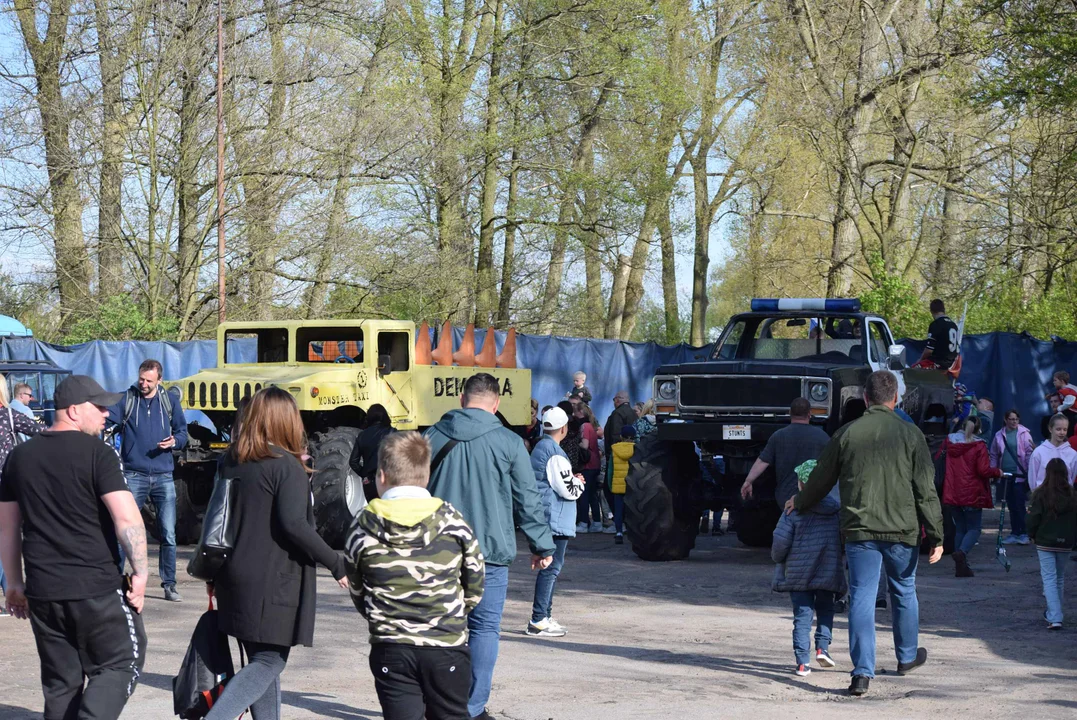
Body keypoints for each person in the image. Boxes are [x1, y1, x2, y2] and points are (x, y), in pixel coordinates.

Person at [0, 375, 149, 719]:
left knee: (61, 683)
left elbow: (7, 529)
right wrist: (141, 573)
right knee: (121, 664)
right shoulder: (100, 453)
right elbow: (126, 519)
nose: (106, 415)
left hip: (44, 591)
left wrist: (16, 585)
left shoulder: (19, 458)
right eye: (98, 408)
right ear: (72, 410)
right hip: (94, 587)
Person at [789, 370, 944, 698]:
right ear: (896, 399)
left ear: (865, 398)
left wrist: (799, 501)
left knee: (862, 595)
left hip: (860, 530)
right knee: (904, 590)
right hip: (902, 529)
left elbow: (819, 480)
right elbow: (925, 489)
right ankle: (906, 657)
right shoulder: (911, 434)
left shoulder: (847, 434)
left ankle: (861, 673)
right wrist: (937, 534)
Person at [204, 386, 348, 720]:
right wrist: (336, 562)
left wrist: (212, 575)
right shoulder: (285, 466)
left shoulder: (232, 460)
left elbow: (218, 520)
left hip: (232, 576)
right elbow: (295, 525)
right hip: (271, 580)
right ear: (286, 421)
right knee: (270, 661)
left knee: (261, 661)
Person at [423, 373, 555, 720]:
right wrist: (542, 545)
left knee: (436, 629)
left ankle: (435, 705)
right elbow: (527, 499)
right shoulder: (509, 443)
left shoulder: (431, 437)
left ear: (462, 400)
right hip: (489, 555)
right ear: (496, 404)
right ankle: (471, 707)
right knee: (483, 630)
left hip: (437, 552)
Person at [344, 431, 485, 719]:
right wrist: (453, 612)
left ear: (381, 476)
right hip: (445, 642)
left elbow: (357, 590)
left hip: (391, 646)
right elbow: (474, 584)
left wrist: (382, 615)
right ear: (427, 472)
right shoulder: (453, 521)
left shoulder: (362, 526)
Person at [106, 358, 188, 602]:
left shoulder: (170, 401)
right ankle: (115, 582)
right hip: (133, 475)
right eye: (141, 379)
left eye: (149, 381)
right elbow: (106, 422)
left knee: (168, 534)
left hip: (164, 476)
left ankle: (169, 585)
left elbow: (183, 433)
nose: (143, 384)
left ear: (159, 380)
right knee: (124, 530)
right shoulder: (126, 399)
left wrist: (175, 442)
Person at [772, 461, 845, 677]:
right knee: (825, 610)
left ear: (801, 484)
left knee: (802, 616)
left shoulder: (792, 511)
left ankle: (803, 662)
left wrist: (778, 559)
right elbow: (842, 539)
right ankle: (823, 648)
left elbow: (780, 541)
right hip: (828, 571)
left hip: (798, 574)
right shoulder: (835, 511)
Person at [527, 407, 583, 637]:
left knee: (549, 567)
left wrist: (571, 478)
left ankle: (544, 616)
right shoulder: (555, 453)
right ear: (564, 429)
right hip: (556, 518)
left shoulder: (541, 448)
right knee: (551, 568)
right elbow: (567, 490)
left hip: (546, 516)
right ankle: (539, 619)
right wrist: (578, 483)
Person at [1, 378, 47, 602]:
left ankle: (10, 589)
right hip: (6, 487)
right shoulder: (9, 416)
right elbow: (42, 431)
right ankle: (12, 589)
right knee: (8, 535)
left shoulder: (10, 414)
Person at [740, 398, 830, 510]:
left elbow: (763, 461)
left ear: (790, 413)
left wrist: (748, 481)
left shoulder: (778, 436)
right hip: (813, 497)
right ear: (809, 414)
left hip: (785, 499)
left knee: (787, 526)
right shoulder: (823, 437)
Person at [940, 416, 1002, 577]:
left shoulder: (949, 442)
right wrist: (998, 472)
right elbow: (983, 470)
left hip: (953, 492)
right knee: (974, 528)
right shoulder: (979, 445)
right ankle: (962, 553)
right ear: (979, 429)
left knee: (960, 528)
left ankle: (961, 566)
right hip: (972, 493)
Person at [1027, 458, 1077, 630]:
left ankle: (1055, 616)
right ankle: (1055, 612)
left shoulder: (1041, 494)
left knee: (1049, 578)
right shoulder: (1072, 495)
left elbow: (1033, 518)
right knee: (1059, 578)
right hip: (1066, 543)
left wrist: (1031, 534)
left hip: (1045, 541)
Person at [990, 409, 1035, 545]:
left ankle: (1024, 533)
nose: (1014, 421)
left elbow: (1029, 453)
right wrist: (993, 472)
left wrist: (1029, 471)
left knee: (1020, 504)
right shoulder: (999, 435)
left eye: (1016, 419)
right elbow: (994, 454)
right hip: (1005, 475)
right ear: (1006, 420)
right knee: (1010, 505)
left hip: (1020, 475)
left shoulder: (1024, 434)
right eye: (1011, 419)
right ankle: (1015, 532)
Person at [348, 403, 395, 502]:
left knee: (374, 513)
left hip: (370, 483)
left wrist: (365, 474)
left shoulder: (362, 435)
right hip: (389, 480)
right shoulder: (392, 432)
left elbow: (353, 462)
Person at [574, 403, 603, 533]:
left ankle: (584, 522)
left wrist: (575, 443)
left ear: (581, 412)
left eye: (576, 412)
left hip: (588, 465)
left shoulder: (584, 426)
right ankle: (597, 522)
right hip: (595, 464)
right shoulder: (591, 426)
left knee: (584, 494)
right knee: (592, 494)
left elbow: (584, 445)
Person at [1028, 414, 1077, 491]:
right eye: (1058, 429)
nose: (1062, 433)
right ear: (1050, 429)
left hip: (1065, 499)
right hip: (1042, 498)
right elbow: (1032, 479)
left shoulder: (1073, 454)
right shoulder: (1038, 452)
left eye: (1065, 429)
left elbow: (1071, 478)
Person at [607, 425, 637, 544]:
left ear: (621, 436)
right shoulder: (637, 449)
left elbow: (611, 470)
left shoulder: (615, 449)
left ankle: (618, 532)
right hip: (632, 487)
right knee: (632, 510)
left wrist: (610, 485)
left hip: (618, 486)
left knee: (618, 511)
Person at [918, 299, 960, 371]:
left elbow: (929, 350)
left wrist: (920, 360)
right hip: (952, 365)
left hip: (938, 363)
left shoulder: (936, 324)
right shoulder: (953, 325)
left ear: (932, 311)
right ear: (944, 310)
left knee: (911, 371)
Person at [1048, 370, 1077, 438]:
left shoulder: (1066, 390)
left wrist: (1060, 408)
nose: (1053, 382)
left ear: (1061, 381)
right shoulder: (1067, 389)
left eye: (1055, 380)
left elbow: (1070, 401)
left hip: (1073, 412)